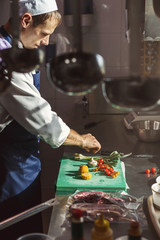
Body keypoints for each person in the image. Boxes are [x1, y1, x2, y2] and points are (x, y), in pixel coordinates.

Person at [0, 0, 101, 239]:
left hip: (20, 159)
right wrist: (82, 140)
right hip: (8, 165)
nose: (46, 41)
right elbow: (40, 117)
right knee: (13, 227)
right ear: (25, 21)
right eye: (44, 33)